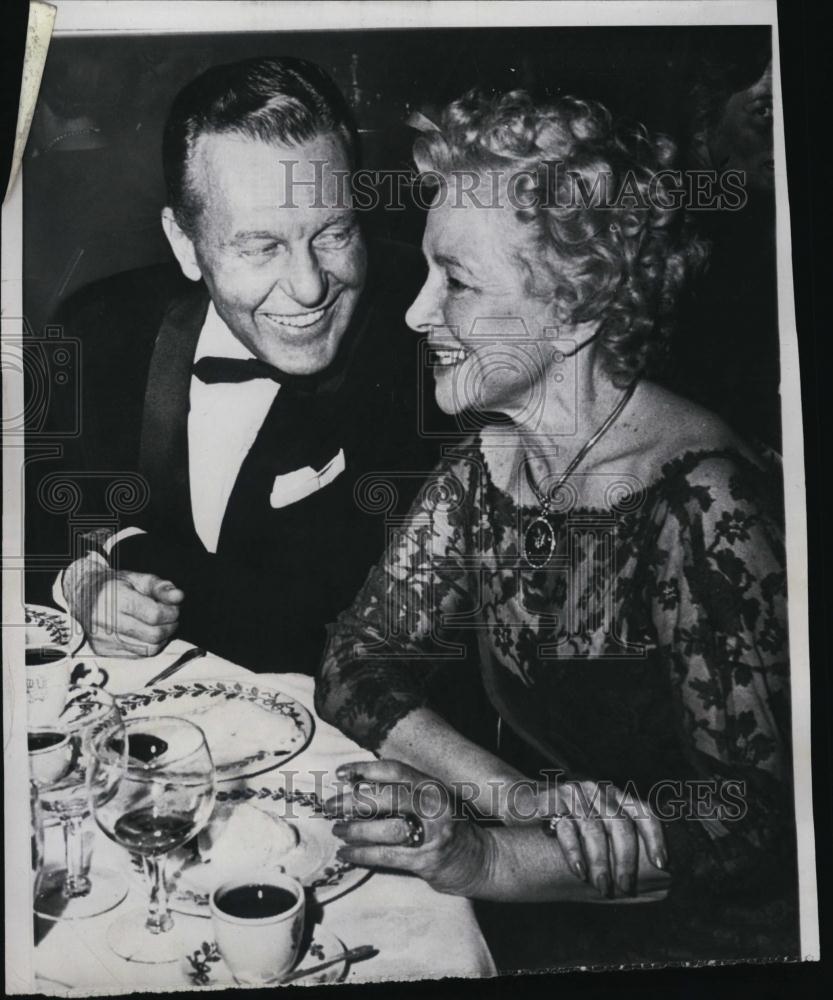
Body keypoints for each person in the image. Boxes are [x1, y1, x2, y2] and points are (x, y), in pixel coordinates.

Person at [315, 90, 797, 964]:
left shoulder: (701, 505)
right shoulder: (487, 463)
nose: (416, 312)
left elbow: (752, 823)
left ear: (575, 313)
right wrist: (512, 798)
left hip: (710, 946)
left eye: (455, 282)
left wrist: (488, 857)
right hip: (549, 909)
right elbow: (356, 662)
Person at [25, 56, 447, 672]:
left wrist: (133, 549)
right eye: (260, 247)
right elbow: (35, 509)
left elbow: (348, 631)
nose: (308, 288)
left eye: (333, 234)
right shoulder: (102, 325)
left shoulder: (423, 339)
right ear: (184, 245)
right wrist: (83, 584)